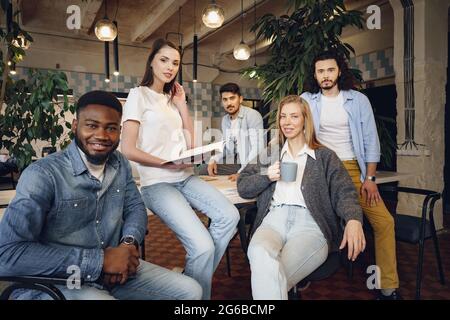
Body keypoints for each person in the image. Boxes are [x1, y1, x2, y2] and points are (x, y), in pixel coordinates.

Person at [0, 90, 202, 300]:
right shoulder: (43, 174)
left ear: (120, 131)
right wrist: (100, 261)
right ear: (75, 126)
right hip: (60, 280)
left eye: (111, 128)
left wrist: (127, 246)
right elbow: (7, 255)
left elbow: (135, 208)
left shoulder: (120, 163)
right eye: (92, 125)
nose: (102, 135)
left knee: (190, 291)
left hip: (116, 271)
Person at [120, 39, 239, 300]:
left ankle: (189, 282)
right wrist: (166, 163)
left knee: (230, 217)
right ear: (151, 61)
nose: (170, 67)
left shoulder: (172, 99)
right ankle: (196, 297)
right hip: (158, 183)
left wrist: (182, 105)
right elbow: (127, 148)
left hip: (185, 177)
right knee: (202, 246)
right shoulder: (138, 95)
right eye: (164, 60)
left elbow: (191, 146)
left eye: (175, 62)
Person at [237, 95, 365, 300]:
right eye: (283, 116)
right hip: (273, 221)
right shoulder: (271, 153)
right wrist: (267, 176)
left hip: (310, 226)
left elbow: (345, 192)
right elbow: (243, 185)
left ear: (305, 119)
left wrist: (353, 219)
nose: (287, 122)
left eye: (294, 116)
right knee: (259, 253)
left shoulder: (325, 156)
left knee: (269, 277)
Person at [301, 50, 401, 300]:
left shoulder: (357, 100)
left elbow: (371, 141)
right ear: (315, 74)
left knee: (384, 222)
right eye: (320, 71)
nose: (325, 75)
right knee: (304, 219)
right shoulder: (306, 100)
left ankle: (387, 286)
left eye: (330, 70)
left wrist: (370, 179)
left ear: (339, 71)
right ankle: (300, 274)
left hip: (353, 168)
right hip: (319, 169)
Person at [207, 83, 264, 181]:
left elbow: (257, 148)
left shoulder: (252, 115)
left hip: (252, 163)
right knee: (205, 169)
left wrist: (242, 173)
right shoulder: (225, 120)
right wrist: (214, 159)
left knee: (242, 181)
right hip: (236, 161)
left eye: (232, 98)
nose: (229, 103)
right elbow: (224, 146)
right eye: (225, 99)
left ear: (240, 99)